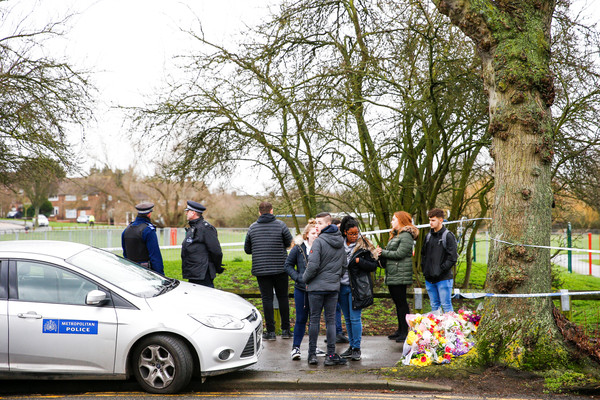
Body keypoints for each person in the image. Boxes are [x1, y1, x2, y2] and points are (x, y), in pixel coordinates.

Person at [302, 212, 347, 366]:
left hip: (316, 288)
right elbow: (344, 265)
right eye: (316, 223)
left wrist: (304, 279)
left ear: (328, 224)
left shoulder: (319, 242)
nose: (316, 226)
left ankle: (312, 355)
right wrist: (335, 278)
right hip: (333, 287)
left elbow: (312, 266)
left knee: (314, 320)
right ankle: (331, 355)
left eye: (319, 223)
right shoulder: (340, 241)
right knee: (331, 321)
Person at [245, 202, 293, 340]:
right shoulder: (281, 225)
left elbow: (247, 249)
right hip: (280, 268)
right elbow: (289, 243)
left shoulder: (252, 228)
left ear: (259, 212)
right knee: (283, 297)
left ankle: (271, 332)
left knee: (267, 299)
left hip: (261, 269)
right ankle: (285, 330)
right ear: (272, 211)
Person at [338, 216, 378, 361]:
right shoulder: (338, 245)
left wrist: (358, 260)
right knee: (347, 319)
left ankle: (357, 348)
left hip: (357, 288)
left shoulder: (364, 245)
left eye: (356, 233)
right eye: (351, 234)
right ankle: (351, 346)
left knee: (355, 319)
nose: (354, 236)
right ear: (344, 233)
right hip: (341, 287)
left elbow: (373, 266)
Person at [284, 220, 325, 360]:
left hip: (317, 289)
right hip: (301, 289)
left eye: (318, 233)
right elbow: (288, 265)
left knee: (315, 320)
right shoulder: (298, 248)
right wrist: (298, 277)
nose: (316, 236)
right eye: (313, 233)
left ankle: (313, 347)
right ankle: (296, 348)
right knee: (301, 318)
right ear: (307, 235)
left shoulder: (323, 248)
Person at [375, 211, 419, 342]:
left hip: (400, 274)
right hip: (394, 273)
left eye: (394, 219)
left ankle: (405, 332)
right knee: (398, 303)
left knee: (402, 304)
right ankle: (400, 330)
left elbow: (400, 253)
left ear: (401, 220)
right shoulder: (396, 235)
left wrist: (383, 252)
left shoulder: (406, 236)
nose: (391, 222)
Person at [421, 208, 458, 314]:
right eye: (429, 220)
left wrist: (440, 269)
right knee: (434, 308)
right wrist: (426, 270)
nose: (430, 223)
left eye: (433, 220)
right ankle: (437, 330)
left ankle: (451, 329)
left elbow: (452, 258)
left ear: (441, 220)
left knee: (446, 306)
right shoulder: (428, 236)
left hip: (443, 279)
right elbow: (423, 255)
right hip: (429, 279)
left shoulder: (448, 236)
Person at [181, 200, 224, 288]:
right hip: (194, 273)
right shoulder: (193, 227)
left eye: (187, 211)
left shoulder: (206, 228)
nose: (186, 213)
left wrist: (217, 267)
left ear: (193, 213)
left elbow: (216, 251)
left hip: (203, 275)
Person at [121, 202, 164, 275]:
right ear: (149, 214)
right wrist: (161, 275)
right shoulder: (148, 230)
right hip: (145, 272)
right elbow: (155, 256)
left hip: (130, 270)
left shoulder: (126, 230)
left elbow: (125, 253)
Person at [331, 218, 349, 344]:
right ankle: (335, 332)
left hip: (340, 280)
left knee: (337, 308)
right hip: (333, 280)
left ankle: (337, 332)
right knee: (333, 308)